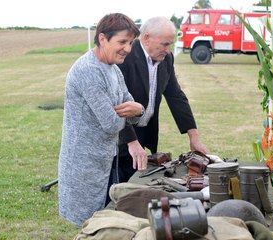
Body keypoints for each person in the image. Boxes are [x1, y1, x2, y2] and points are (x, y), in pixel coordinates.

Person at [58, 13, 144, 226]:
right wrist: (130, 112)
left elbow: (132, 108)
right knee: (89, 227)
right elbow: (111, 124)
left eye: (130, 42)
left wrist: (138, 109)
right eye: (122, 42)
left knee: (106, 224)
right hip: (83, 166)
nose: (128, 49)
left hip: (106, 161)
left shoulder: (114, 69)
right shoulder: (89, 71)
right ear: (103, 38)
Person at [117, 16, 209, 183]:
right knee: (117, 187)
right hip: (121, 135)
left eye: (170, 44)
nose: (168, 50)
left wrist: (193, 137)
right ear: (146, 38)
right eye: (165, 44)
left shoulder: (166, 58)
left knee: (136, 186)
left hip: (144, 133)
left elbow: (176, 97)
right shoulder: (125, 57)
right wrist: (131, 141)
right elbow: (118, 104)